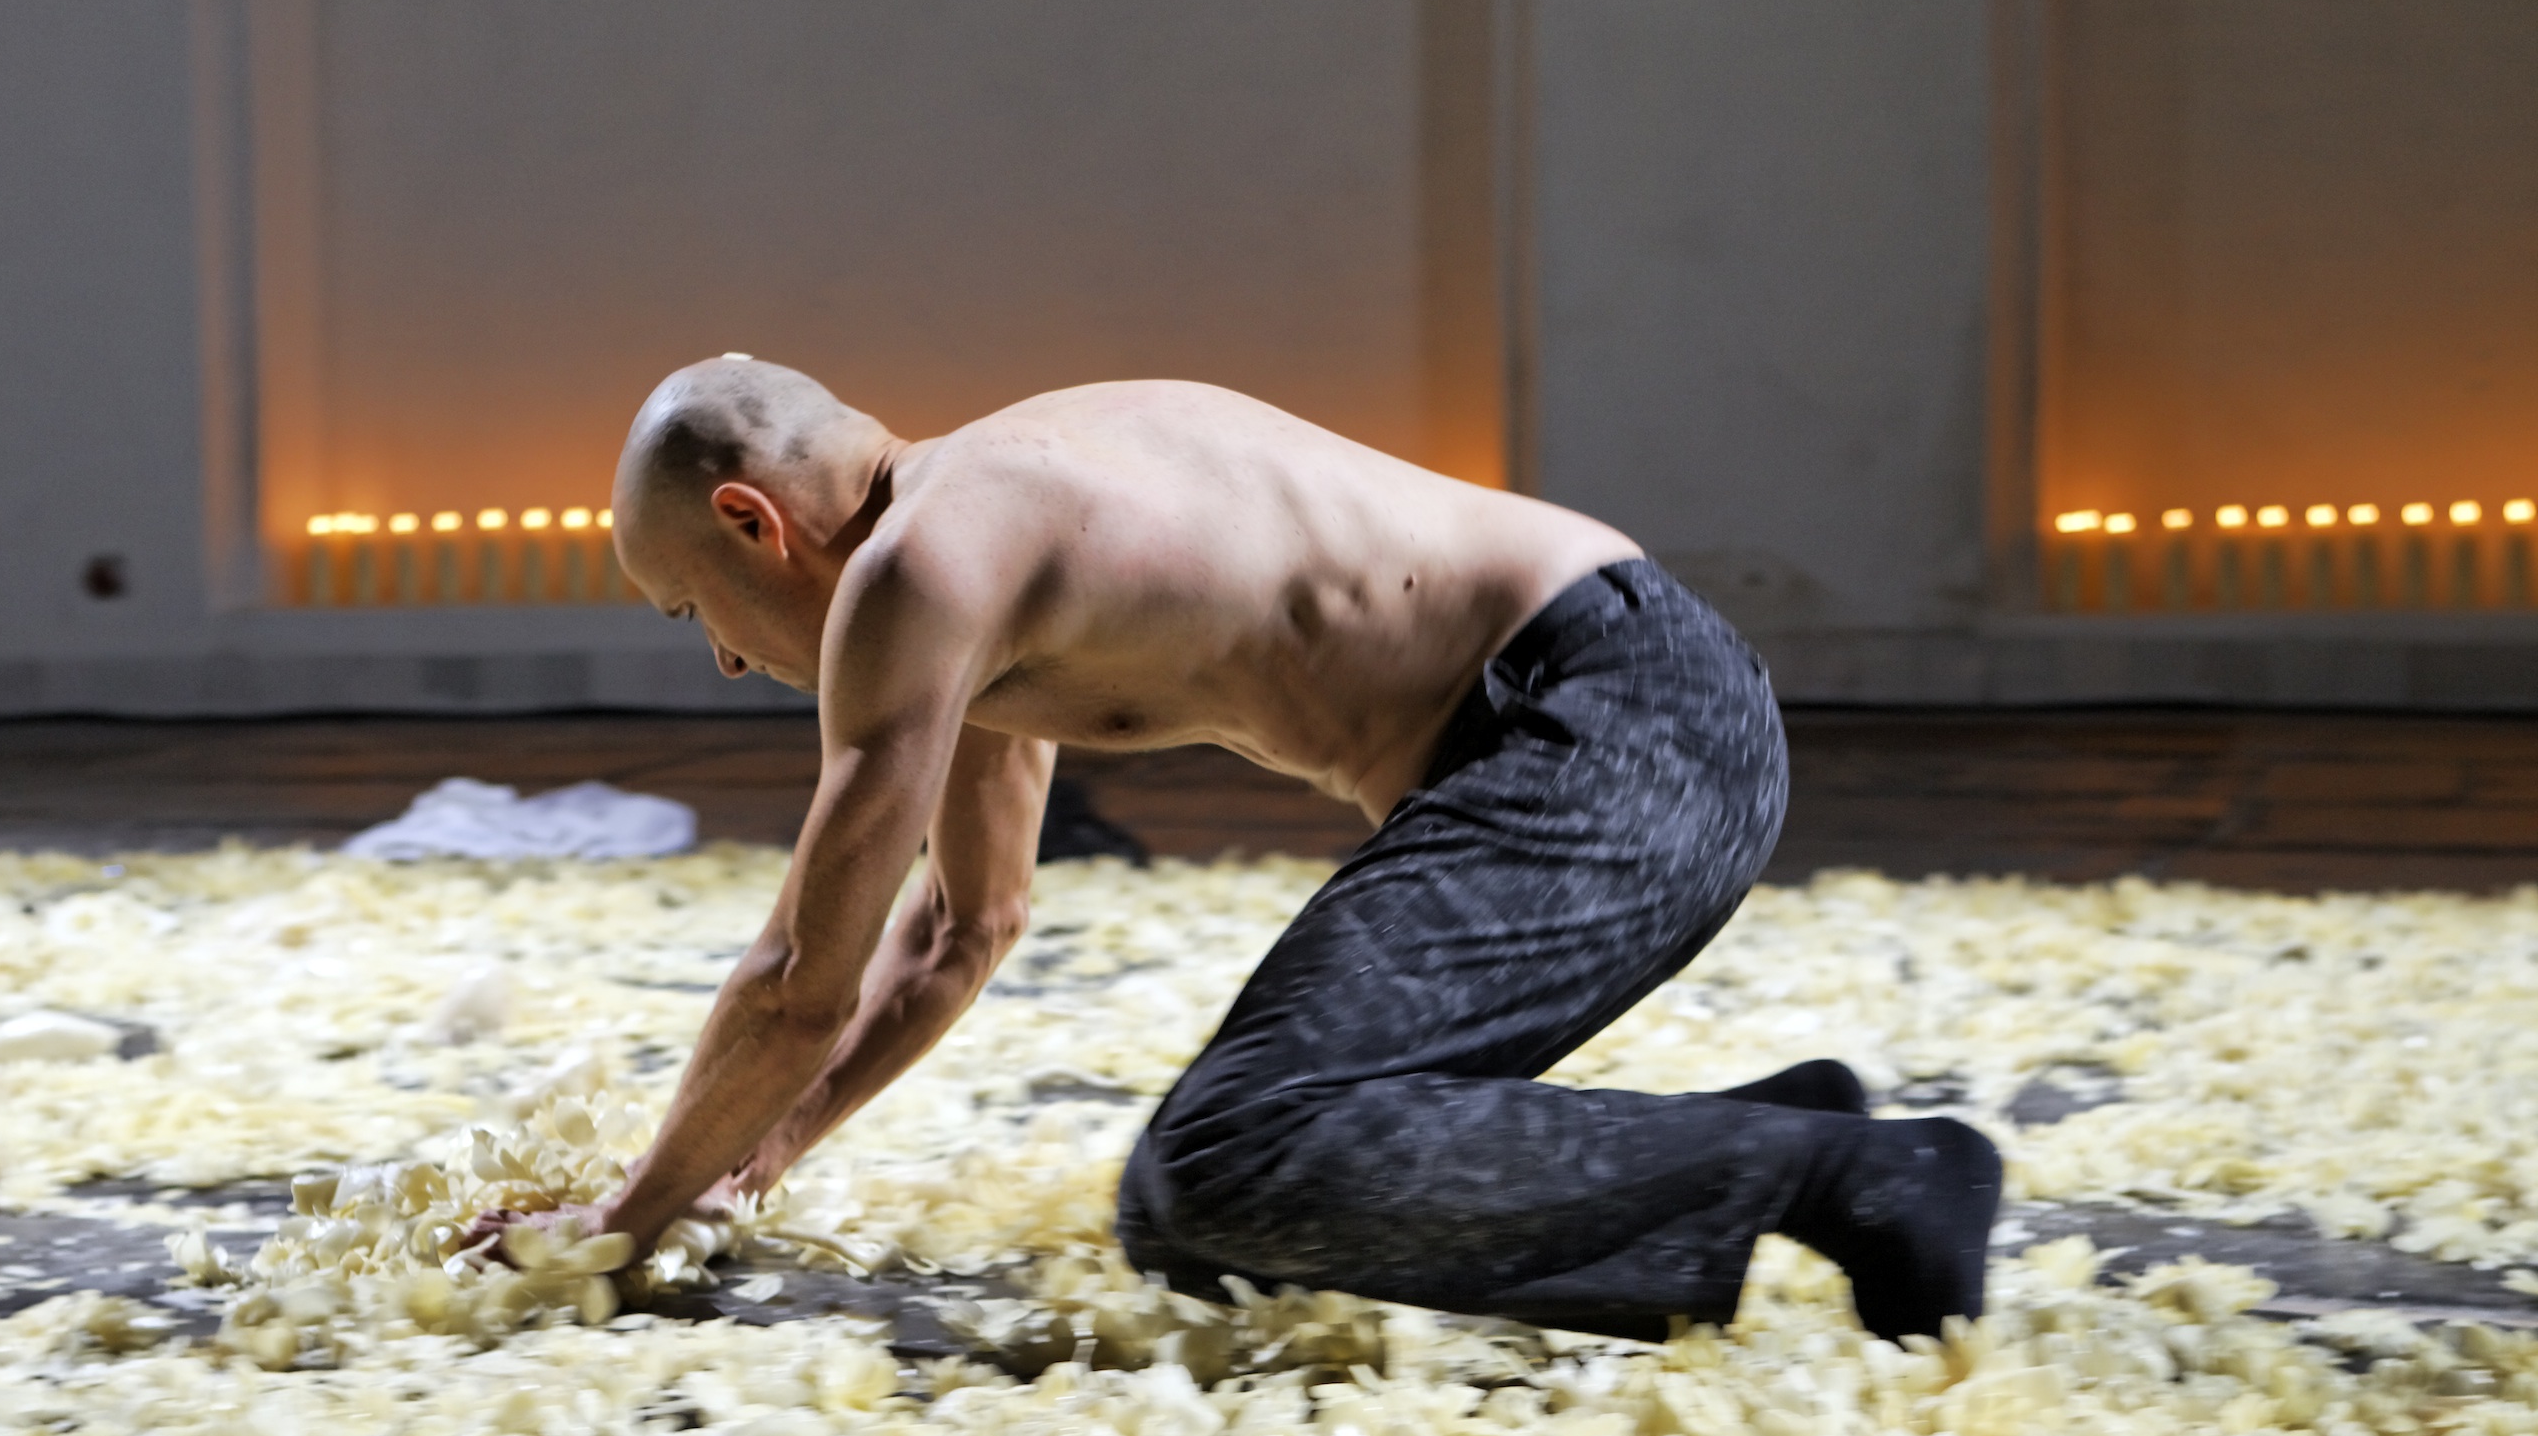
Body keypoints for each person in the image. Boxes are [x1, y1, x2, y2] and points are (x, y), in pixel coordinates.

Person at [473, 357, 1998, 1342]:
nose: (729, 665)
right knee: (1222, 1214)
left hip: (1615, 719)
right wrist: (758, 1159)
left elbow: (804, 972)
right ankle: (1780, 1133)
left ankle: (1855, 1173)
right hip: (1606, 725)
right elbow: (961, 934)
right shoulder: (978, 548)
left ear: (753, 523)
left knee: (1216, 1166)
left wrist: (618, 1229)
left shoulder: (926, 560)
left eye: (695, 617)